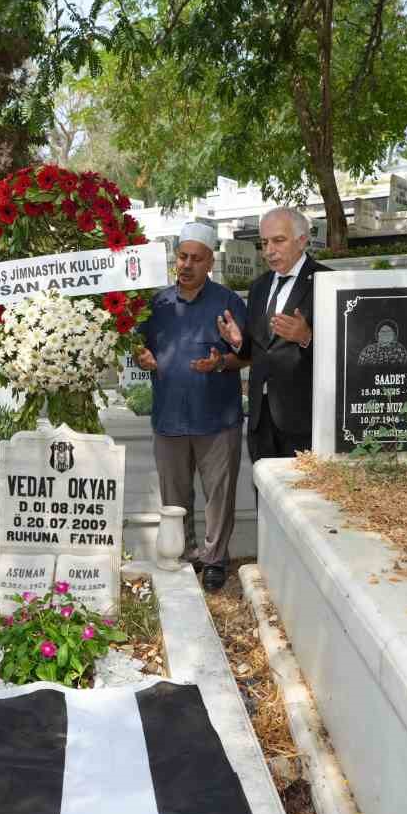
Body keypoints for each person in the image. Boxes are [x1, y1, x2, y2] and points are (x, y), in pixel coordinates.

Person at [134, 221, 246, 592]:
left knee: (219, 495)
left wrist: (221, 361)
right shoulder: (158, 304)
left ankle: (215, 560)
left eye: (196, 259)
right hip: (168, 418)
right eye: (182, 256)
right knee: (175, 497)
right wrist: (142, 357)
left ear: (210, 262)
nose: (186, 264)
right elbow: (139, 348)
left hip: (217, 418)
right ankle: (182, 554)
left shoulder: (228, 302)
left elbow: (244, 355)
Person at [217, 207, 330, 460]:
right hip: (261, 420)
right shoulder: (259, 286)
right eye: (264, 242)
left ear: (302, 240)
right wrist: (237, 341)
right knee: (263, 496)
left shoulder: (326, 281)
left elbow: (345, 353)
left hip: (305, 421)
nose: (269, 250)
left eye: (278, 240)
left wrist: (306, 338)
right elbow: (258, 350)